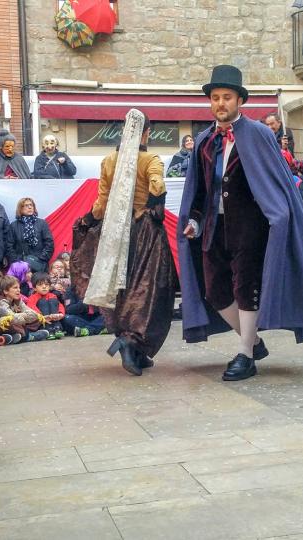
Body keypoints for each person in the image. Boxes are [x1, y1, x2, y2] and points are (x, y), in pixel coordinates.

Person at [179, 65, 303, 382]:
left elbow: (275, 183)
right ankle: (252, 341)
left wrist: (279, 218)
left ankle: (244, 354)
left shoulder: (259, 134)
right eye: (215, 98)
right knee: (215, 292)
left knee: (246, 289)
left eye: (227, 97)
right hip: (214, 229)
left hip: (250, 229)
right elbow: (200, 191)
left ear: (239, 100)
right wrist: (195, 222)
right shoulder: (204, 141)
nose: (220, 103)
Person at [73, 110, 177, 376]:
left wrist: (87, 221)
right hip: (144, 234)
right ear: (147, 133)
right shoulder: (150, 159)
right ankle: (132, 342)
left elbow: (102, 203)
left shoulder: (109, 160)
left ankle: (135, 348)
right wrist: (152, 207)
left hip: (115, 233)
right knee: (149, 290)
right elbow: (157, 186)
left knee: (122, 289)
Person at [5, 197, 54, 274]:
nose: (30, 207)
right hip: (21, 266)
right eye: (26, 205)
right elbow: (9, 246)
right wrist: (17, 261)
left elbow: (49, 243)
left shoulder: (42, 223)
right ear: (20, 209)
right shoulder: (13, 226)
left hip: (40, 265)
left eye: (31, 205)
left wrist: (42, 259)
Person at [26, 272, 66, 339]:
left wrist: (60, 314)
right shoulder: (32, 297)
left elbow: (59, 305)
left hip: (54, 318)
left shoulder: (53, 296)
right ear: (34, 288)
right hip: (42, 321)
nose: (44, 287)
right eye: (40, 285)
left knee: (53, 301)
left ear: (50, 286)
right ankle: (48, 329)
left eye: (46, 284)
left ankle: (57, 328)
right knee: (43, 301)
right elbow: (31, 307)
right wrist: (41, 316)